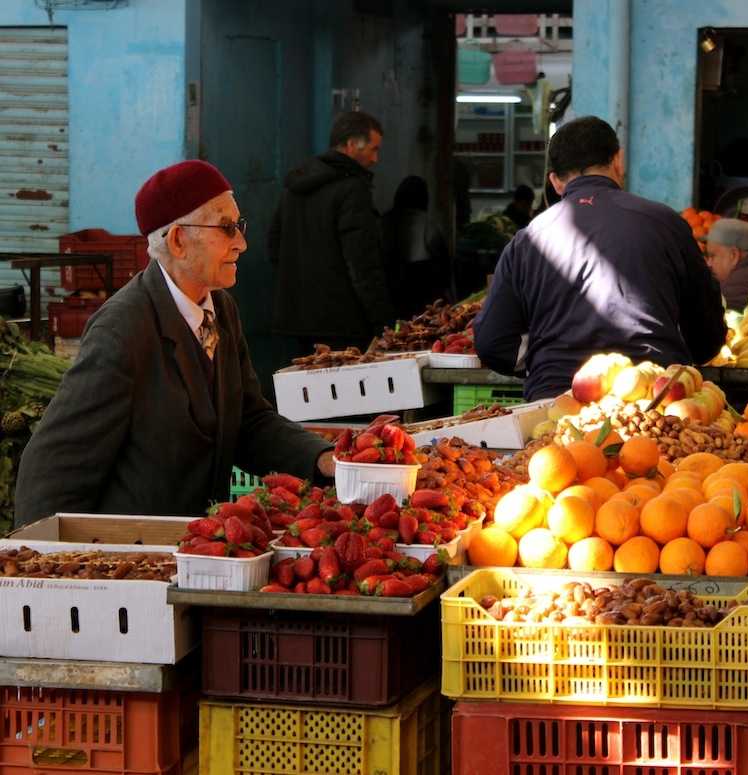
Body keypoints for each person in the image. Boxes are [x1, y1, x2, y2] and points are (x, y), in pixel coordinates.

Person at [13, 160, 336, 527]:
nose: (242, 243)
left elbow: (249, 421)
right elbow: (54, 466)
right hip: (132, 556)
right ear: (179, 240)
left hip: (190, 548)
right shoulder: (124, 328)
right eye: (227, 228)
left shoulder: (222, 311)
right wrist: (47, 563)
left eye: (239, 226)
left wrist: (325, 460)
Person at [473, 116, 727, 401]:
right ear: (618, 161)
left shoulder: (526, 241)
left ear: (555, 182)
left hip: (556, 404)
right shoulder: (667, 223)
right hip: (650, 404)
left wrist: (544, 362)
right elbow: (707, 337)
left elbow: (492, 343)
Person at [269, 110, 395, 353]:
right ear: (351, 145)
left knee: (304, 387)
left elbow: (274, 245)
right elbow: (362, 262)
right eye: (373, 149)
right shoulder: (352, 189)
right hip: (342, 322)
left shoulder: (296, 184)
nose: (375, 159)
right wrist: (382, 321)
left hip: (296, 318)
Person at [381, 175, 451, 319]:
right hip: (421, 287)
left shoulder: (384, 221)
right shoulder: (427, 223)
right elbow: (443, 264)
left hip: (389, 286)